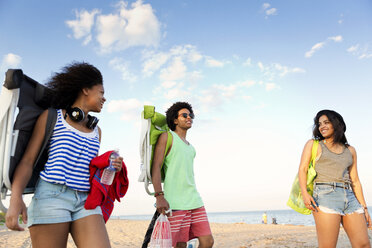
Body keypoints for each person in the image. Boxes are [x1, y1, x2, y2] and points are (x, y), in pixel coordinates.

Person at [5, 62, 123, 248]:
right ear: (85, 89)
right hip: (51, 196)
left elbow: (89, 168)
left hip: (85, 200)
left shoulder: (96, 131)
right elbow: (28, 161)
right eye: (101, 93)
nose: (104, 98)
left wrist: (109, 165)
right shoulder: (53, 117)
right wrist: (16, 198)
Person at [298, 110, 371, 248]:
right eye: (319, 124)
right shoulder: (314, 144)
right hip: (325, 196)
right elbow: (302, 169)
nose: (322, 127)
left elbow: (355, 180)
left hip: (350, 198)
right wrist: (305, 194)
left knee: (363, 244)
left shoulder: (350, 150)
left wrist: (364, 208)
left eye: (326, 122)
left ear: (337, 124)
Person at [152, 102, 214, 248]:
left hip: (195, 200)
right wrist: (159, 195)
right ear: (175, 120)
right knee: (180, 245)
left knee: (208, 242)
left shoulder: (191, 148)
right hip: (176, 202)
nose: (189, 118)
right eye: (184, 115)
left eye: (190, 115)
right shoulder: (167, 137)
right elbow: (156, 167)